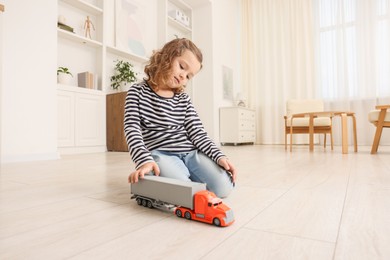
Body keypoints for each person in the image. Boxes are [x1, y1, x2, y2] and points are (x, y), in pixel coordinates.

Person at [124, 38, 236, 198]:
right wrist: (144, 160)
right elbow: (132, 129)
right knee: (183, 191)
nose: (183, 76)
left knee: (224, 188)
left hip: (191, 153)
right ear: (166, 57)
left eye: (189, 76)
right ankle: (151, 175)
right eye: (182, 67)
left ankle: (171, 179)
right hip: (161, 154)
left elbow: (198, 133)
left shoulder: (183, 98)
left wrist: (219, 156)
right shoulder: (137, 92)